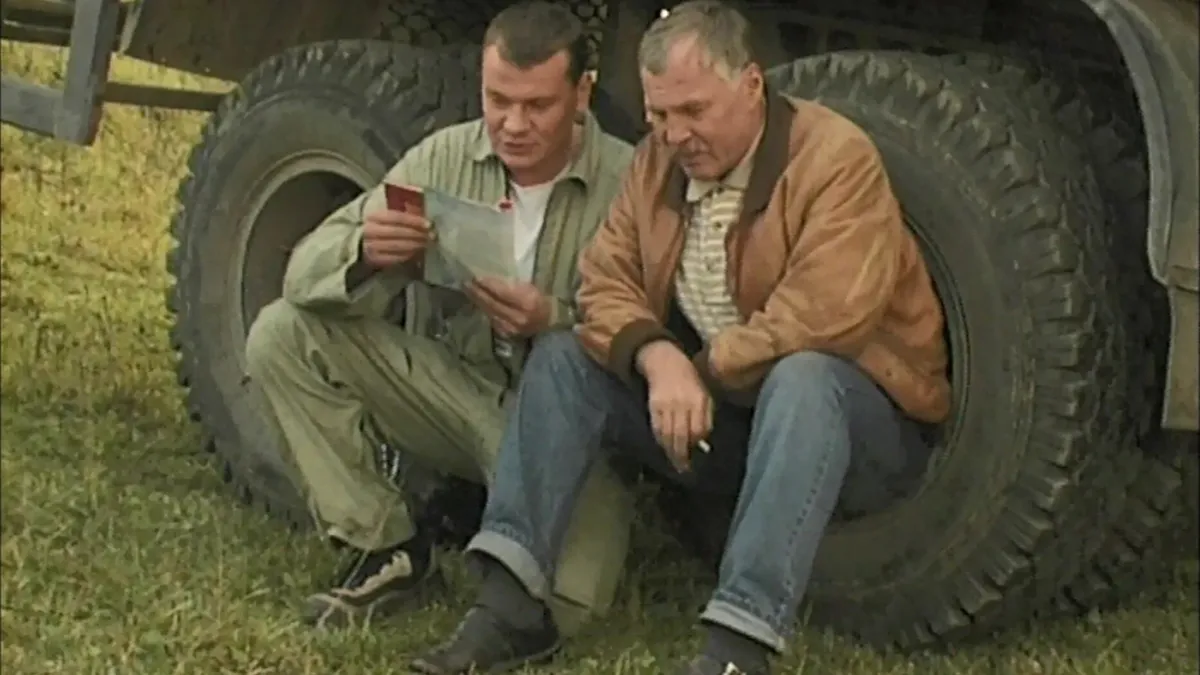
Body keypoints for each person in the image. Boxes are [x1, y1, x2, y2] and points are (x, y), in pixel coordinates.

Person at [408, 1, 951, 674]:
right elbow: (603, 281)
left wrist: (705, 367)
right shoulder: (655, 164)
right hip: (731, 419)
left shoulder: (835, 157)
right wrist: (658, 356)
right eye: (659, 115)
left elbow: (826, 312)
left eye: (694, 111)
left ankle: (737, 649)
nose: (675, 135)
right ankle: (508, 606)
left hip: (859, 433)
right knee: (564, 355)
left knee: (805, 376)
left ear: (751, 85)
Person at [242, 1, 637, 632]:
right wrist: (366, 252)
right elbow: (302, 275)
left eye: (537, 106)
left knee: (565, 609)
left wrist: (556, 320)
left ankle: (510, 522)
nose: (512, 125)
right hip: (459, 396)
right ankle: (387, 548)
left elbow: (661, 334)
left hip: (564, 432)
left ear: (582, 93)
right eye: (497, 100)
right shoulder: (446, 157)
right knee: (281, 335)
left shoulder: (631, 180)